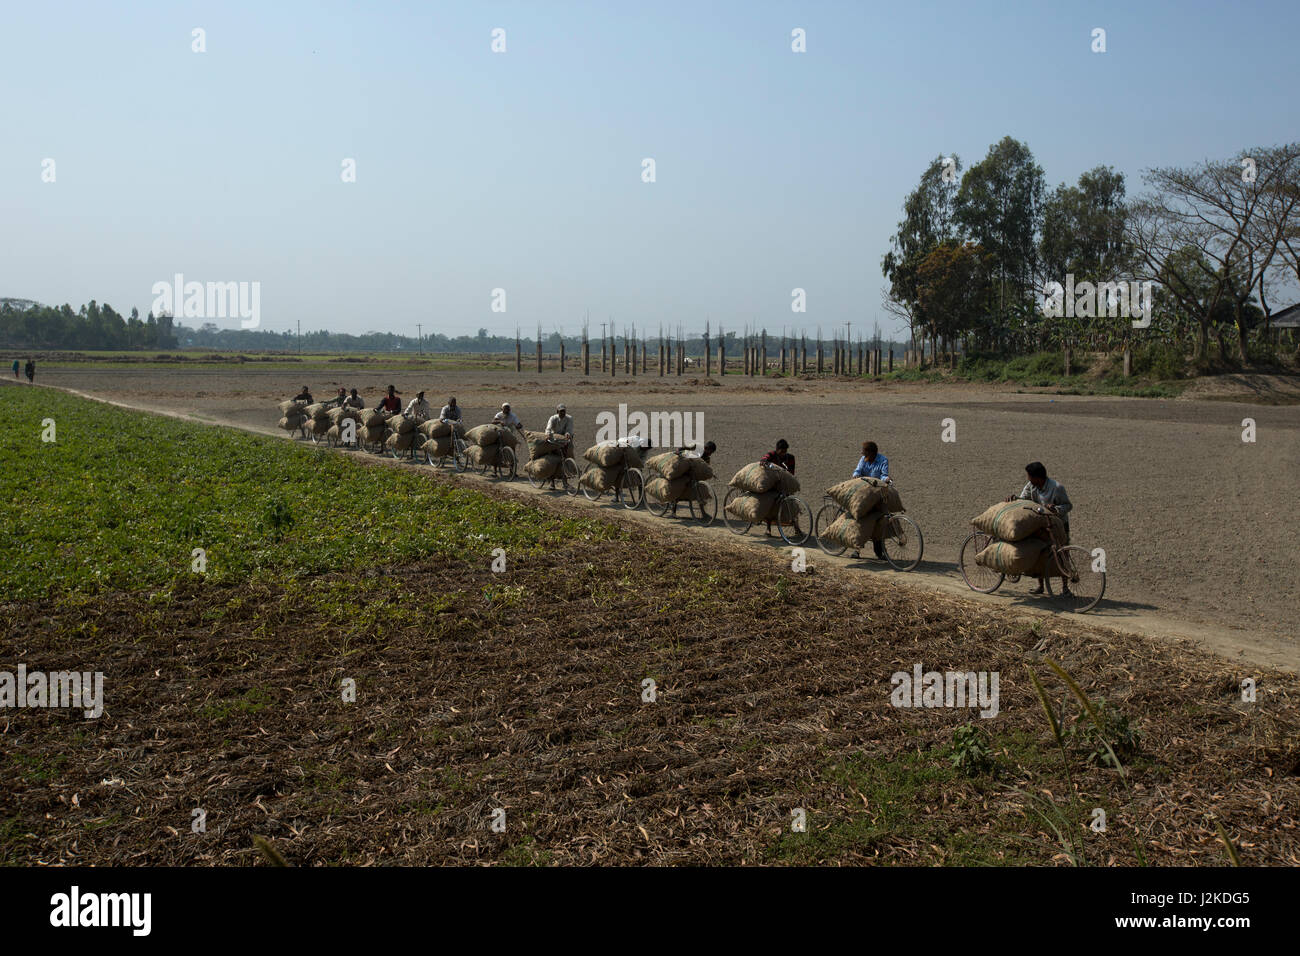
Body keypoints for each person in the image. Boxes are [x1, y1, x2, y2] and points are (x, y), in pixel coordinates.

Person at [1005, 461, 1073, 595]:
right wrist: (1015, 499)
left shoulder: (1057, 488)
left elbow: (1068, 506)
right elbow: (1023, 499)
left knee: (1063, 553)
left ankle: (1065, 588)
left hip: (1059, 524)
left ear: (1037, 477)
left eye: (1029, 476)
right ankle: (1040, 586)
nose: (1028, 479)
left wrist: (1056, 509)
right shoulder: (1031, 486)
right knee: (1040, 551)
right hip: (1042, 523)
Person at [759, 439, 795, 536]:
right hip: (771, 483)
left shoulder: (790, 458)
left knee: (792, 503)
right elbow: (764, 458)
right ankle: (768, 528)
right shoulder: (771, 455)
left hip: (783, 483)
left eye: (785, 451)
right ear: (777, 450)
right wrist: (764, 461)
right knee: (770, 501)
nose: (783, 454)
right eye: (782, 451)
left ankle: (796, 527)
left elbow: (791, 472)